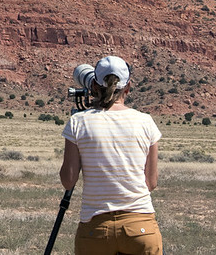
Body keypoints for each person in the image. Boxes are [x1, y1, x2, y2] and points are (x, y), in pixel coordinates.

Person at [59, 55, 163, 255]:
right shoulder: (146, 122)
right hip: (141, 228)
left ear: (94, 87)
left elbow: (68, 181)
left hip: (95, 231)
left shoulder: (78, 122)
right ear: (128, 87)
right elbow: (151, 182)